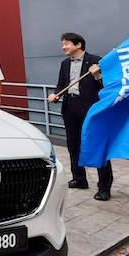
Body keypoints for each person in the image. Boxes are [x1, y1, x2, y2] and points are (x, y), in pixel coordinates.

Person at [47, 32, 113, 201]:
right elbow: (61, 85)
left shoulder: (96, 61)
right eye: (62, 44)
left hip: (90, 108)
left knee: (97, 145)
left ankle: (104, 186)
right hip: (70, 106)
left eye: (66, 43)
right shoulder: (64, 64)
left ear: (78, 45)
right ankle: (79, 178)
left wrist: (97, 75)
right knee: (73, 144)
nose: (63, 47)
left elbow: (107, 85)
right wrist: (55, 94)